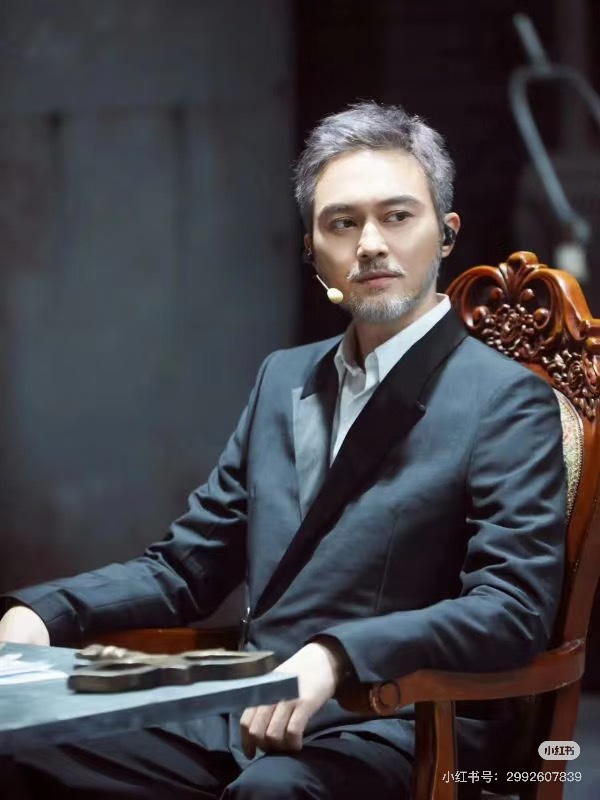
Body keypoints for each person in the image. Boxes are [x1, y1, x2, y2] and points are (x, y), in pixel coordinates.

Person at [0, 101, 566, 800]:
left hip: (401, 724)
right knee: (17, 736)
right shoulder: (284, 378)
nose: (370, 244)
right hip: (243, 711)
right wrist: (44, 613)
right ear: (311, 249)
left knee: (275, 792)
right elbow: (185, 569)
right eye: (342, 223)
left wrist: (336, 656)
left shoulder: (504, 399)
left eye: (397, 216)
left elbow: (510, 609)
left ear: (447, 234)